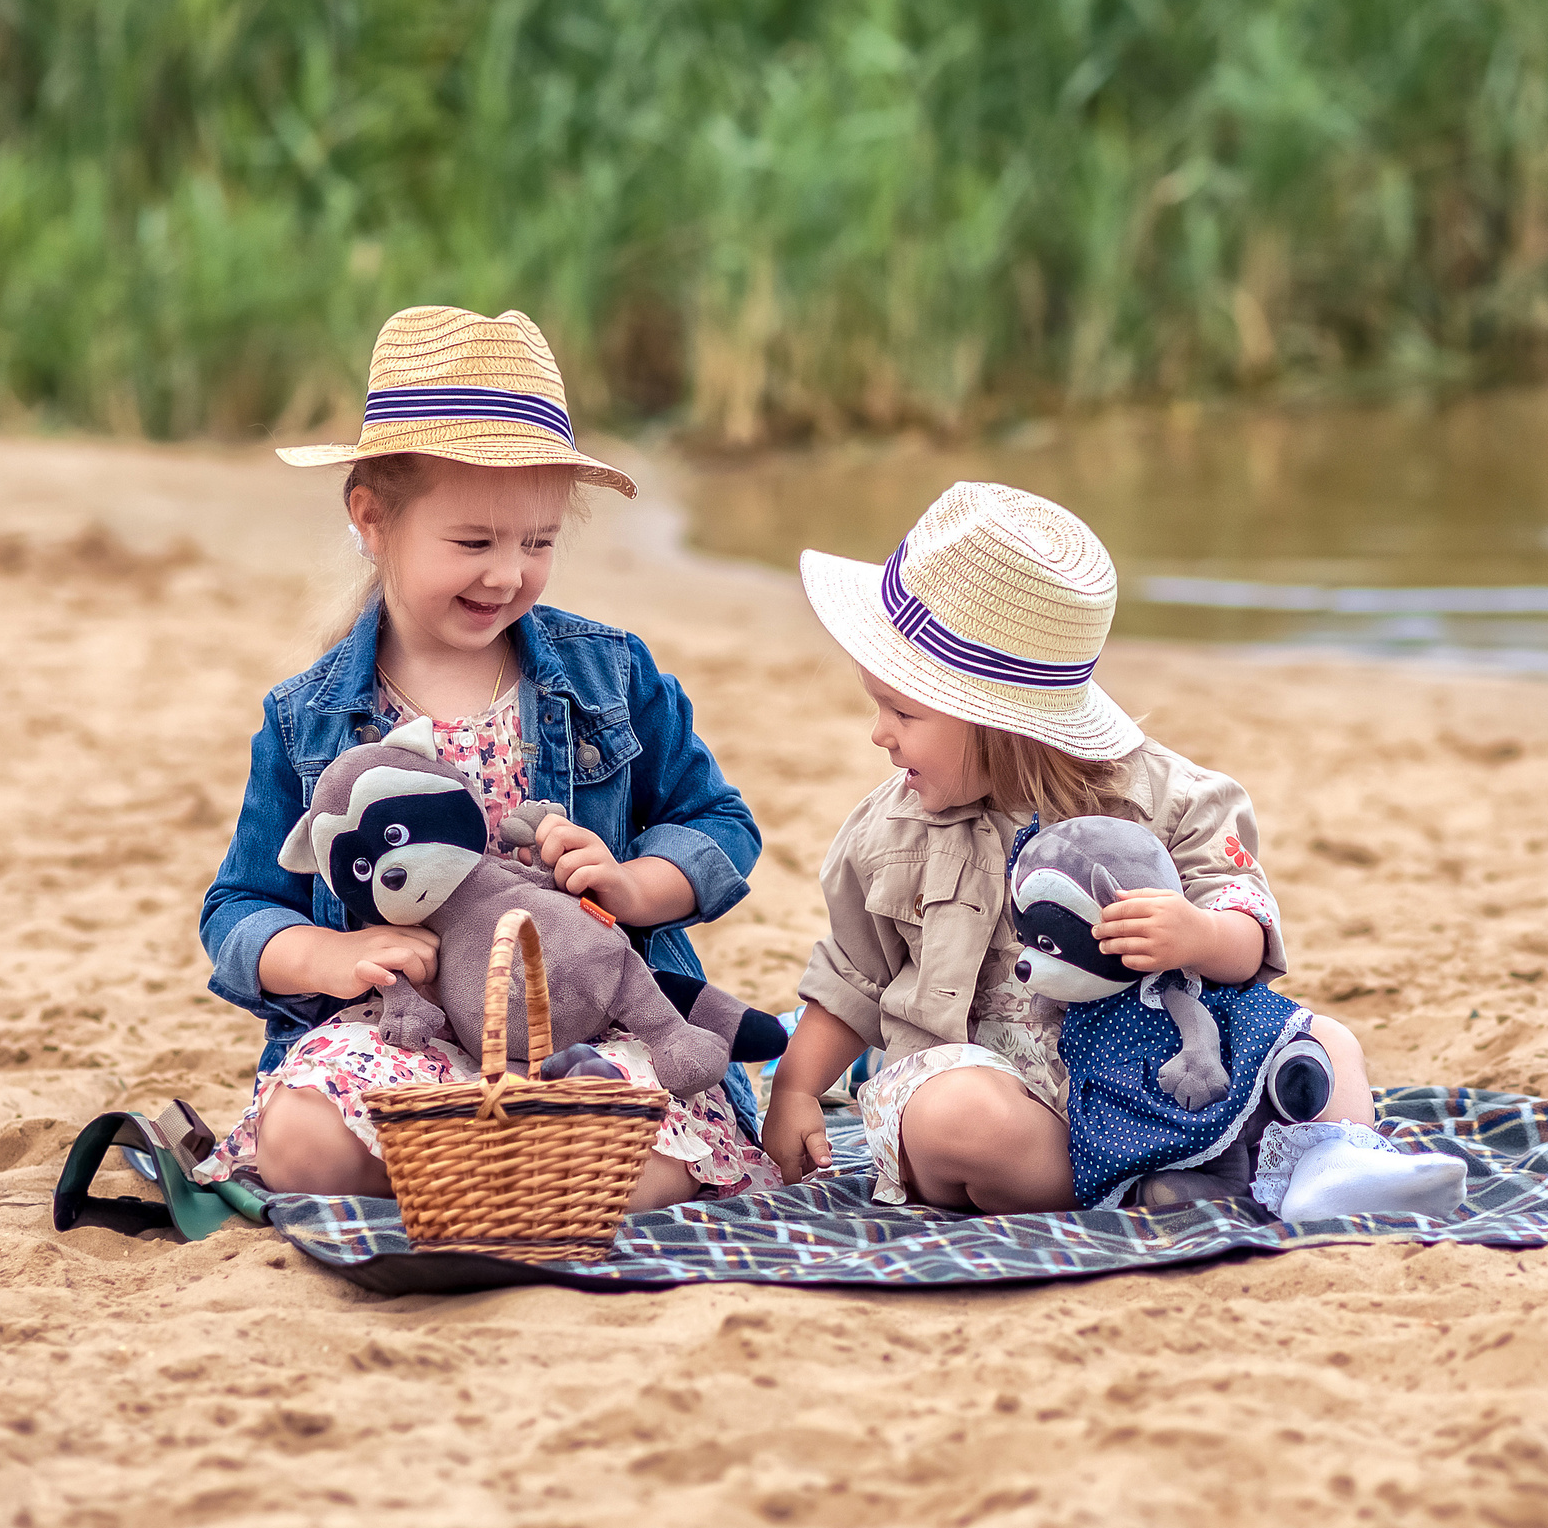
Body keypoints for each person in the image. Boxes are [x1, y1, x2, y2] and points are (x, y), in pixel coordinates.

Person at [194, 305, 778, 1207]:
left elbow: (720, 825)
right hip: (406, 1031)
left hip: (585, 1027)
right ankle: (490, 1175)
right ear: (373, 518)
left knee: (648, 1155)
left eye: (537, 542)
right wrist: (328, 959)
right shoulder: (306, 718)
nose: (507, 574)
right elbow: (236, 911)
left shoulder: (608, 677)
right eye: (472, 543)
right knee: (301, 1143)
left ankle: (488, 1179)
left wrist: (632, 881)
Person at [759, 481, 1381, 1212]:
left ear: (997, 717)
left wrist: (1196, 934)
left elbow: (1249, 934)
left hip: (1155, 1088)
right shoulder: (889, 832)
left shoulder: (1175, 802)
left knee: (1327, 1044)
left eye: (901, 709)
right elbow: (850, 979)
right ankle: (1138, 1186)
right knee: (951, 1115)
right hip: (1021, 1114)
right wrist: (798, 1088)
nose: (879, 732)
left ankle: (1329, 1165)